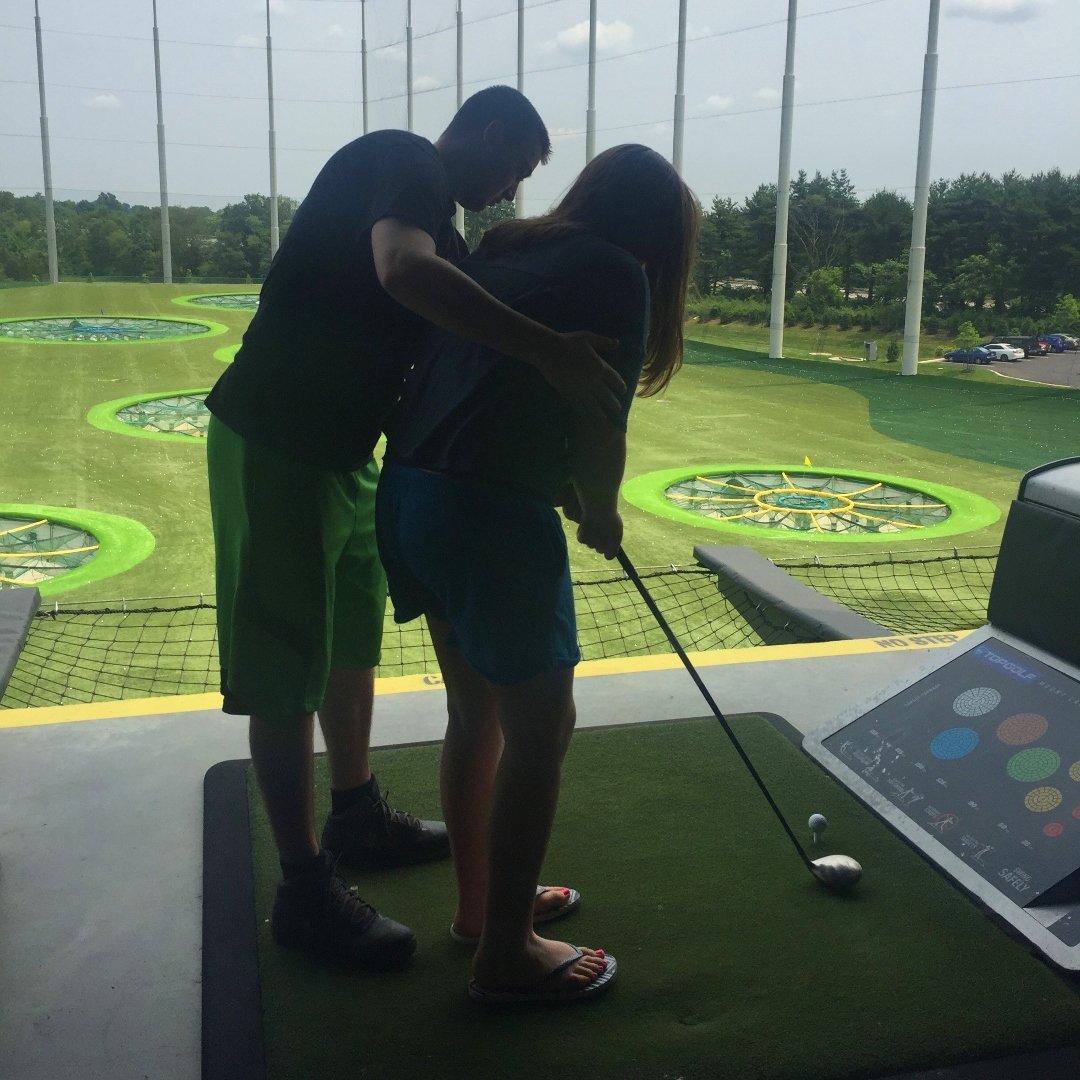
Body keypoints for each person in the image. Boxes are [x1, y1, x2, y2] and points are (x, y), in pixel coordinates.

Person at [204, 86, 626, 973]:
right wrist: (548, 349)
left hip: (347, 456)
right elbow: (401, 271)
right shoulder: (406, 161)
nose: (510, 187)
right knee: (284, 663)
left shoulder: (452, 223)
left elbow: (446, 358)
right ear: (491, 131)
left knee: (351, 638)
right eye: (515, 166)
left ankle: (353, 811)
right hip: (273, 437)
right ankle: (304, 888)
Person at [376, 144, 700, 1004]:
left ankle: (484, 910)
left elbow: (491, 383)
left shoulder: (511, 247)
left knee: (473, 712)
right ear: (664, 232)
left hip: (409, 495)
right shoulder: (616, 271)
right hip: (485, 516)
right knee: (541, 729)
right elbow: (600, 420)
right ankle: (507, 954)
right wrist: (601, 509)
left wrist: (544, 472)